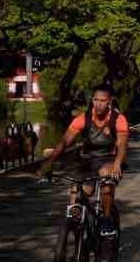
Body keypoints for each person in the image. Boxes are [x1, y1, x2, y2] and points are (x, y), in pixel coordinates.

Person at [38, 84, 129, 236]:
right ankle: (77, 232)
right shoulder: (83, 118)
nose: (98, 104)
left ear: (109, 102)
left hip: (108, 159)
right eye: (95, 100)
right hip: (86, 161)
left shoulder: (118, 119)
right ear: (92, 100)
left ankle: (106, 219)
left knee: (107, 184)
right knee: (78, 193)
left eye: (102, 100)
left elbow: (122, 145)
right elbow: (65, 142)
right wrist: (49, 163)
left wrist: (118, 164)